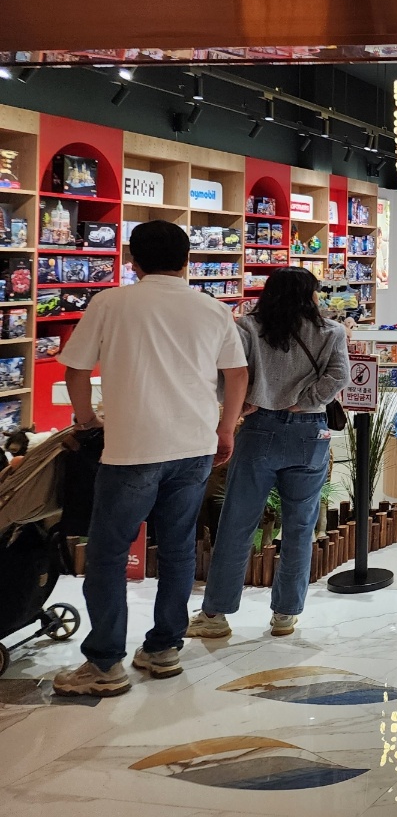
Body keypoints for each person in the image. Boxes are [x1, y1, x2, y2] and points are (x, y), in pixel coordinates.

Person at [53, 220, 248, 697]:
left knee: (107, 554)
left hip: (132, 448)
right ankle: (164, 648)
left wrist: (87, 420)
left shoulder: (111, 303)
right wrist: (226, 428)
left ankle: (105, 663)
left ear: (132, 259)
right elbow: (237, 374)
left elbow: (76, 369)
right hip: (195, 445)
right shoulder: (212, 308)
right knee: (179, 549)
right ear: (187, 260)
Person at [187, 267, 347, 641]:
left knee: (237, 523)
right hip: (310, 432)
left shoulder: (247, 327)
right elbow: (338, 376)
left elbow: (226, 375)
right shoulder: (330, 331)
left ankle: (215, 615)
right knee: (300, 527)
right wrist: (304, 401)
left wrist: (244, 404)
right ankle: (286, 614)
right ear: (310, 295)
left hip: (260, 429)